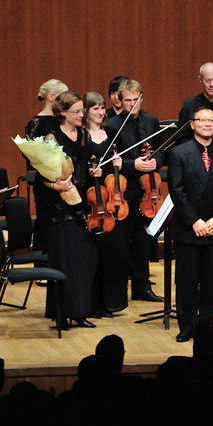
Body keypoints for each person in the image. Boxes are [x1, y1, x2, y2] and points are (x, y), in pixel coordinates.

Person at [168, 107, 213, 342]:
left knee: (211, 283)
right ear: (192, 124)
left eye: (212, 120)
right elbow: (177, 192)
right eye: (203, 120)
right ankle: (186, 326)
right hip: (189, 227)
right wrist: (195, 221)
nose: (208, 124)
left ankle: (207, 326)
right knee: (186, 282)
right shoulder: (179, 153)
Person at [40, 91, 98, 329]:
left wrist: (94, 171)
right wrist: (55, 184)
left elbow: (85, 166)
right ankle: (62, 313)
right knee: (65, 261)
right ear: (62, 112)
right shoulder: (51, 137)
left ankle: (80, 311)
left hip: (83, 205)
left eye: (82, 111)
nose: (81, 115)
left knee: (84, 260)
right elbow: (40, 176)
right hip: (60, 208)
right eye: (76, 111)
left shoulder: (83, 135)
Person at [106, 79, 164, 302]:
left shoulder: (151, 121)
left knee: (143, 240)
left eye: (136, 99)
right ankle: (119, 290)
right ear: (120, 101)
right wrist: (134, 165)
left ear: (142, 97)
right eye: (128, 100)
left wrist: (155, 162)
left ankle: (142, 287)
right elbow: (112, 160)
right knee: (124, 239)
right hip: (125, 190)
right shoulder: (113, 125)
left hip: (149, 191)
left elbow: (162, 151)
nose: (132, 104)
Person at [82, 91, 128, 318]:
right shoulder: (81, 137)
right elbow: (78, 167)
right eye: (95, 108)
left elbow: (118, 172)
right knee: (92, 258)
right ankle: (92, 303)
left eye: (102, 107)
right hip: (92, 203)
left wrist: (119, 164)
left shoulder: (112, 134)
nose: (100, 112)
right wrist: (91, 172)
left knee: (113, 257)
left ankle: (109, 303)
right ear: (86, 111)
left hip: (111, 205)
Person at [25, 79, 68, 254]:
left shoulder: (63, 119)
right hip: (45, 182)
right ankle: (42, 265)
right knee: (46, 223)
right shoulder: (37, 122)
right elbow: (30, 156)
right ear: (51, 97)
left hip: (64, 180)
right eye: (62, 96)